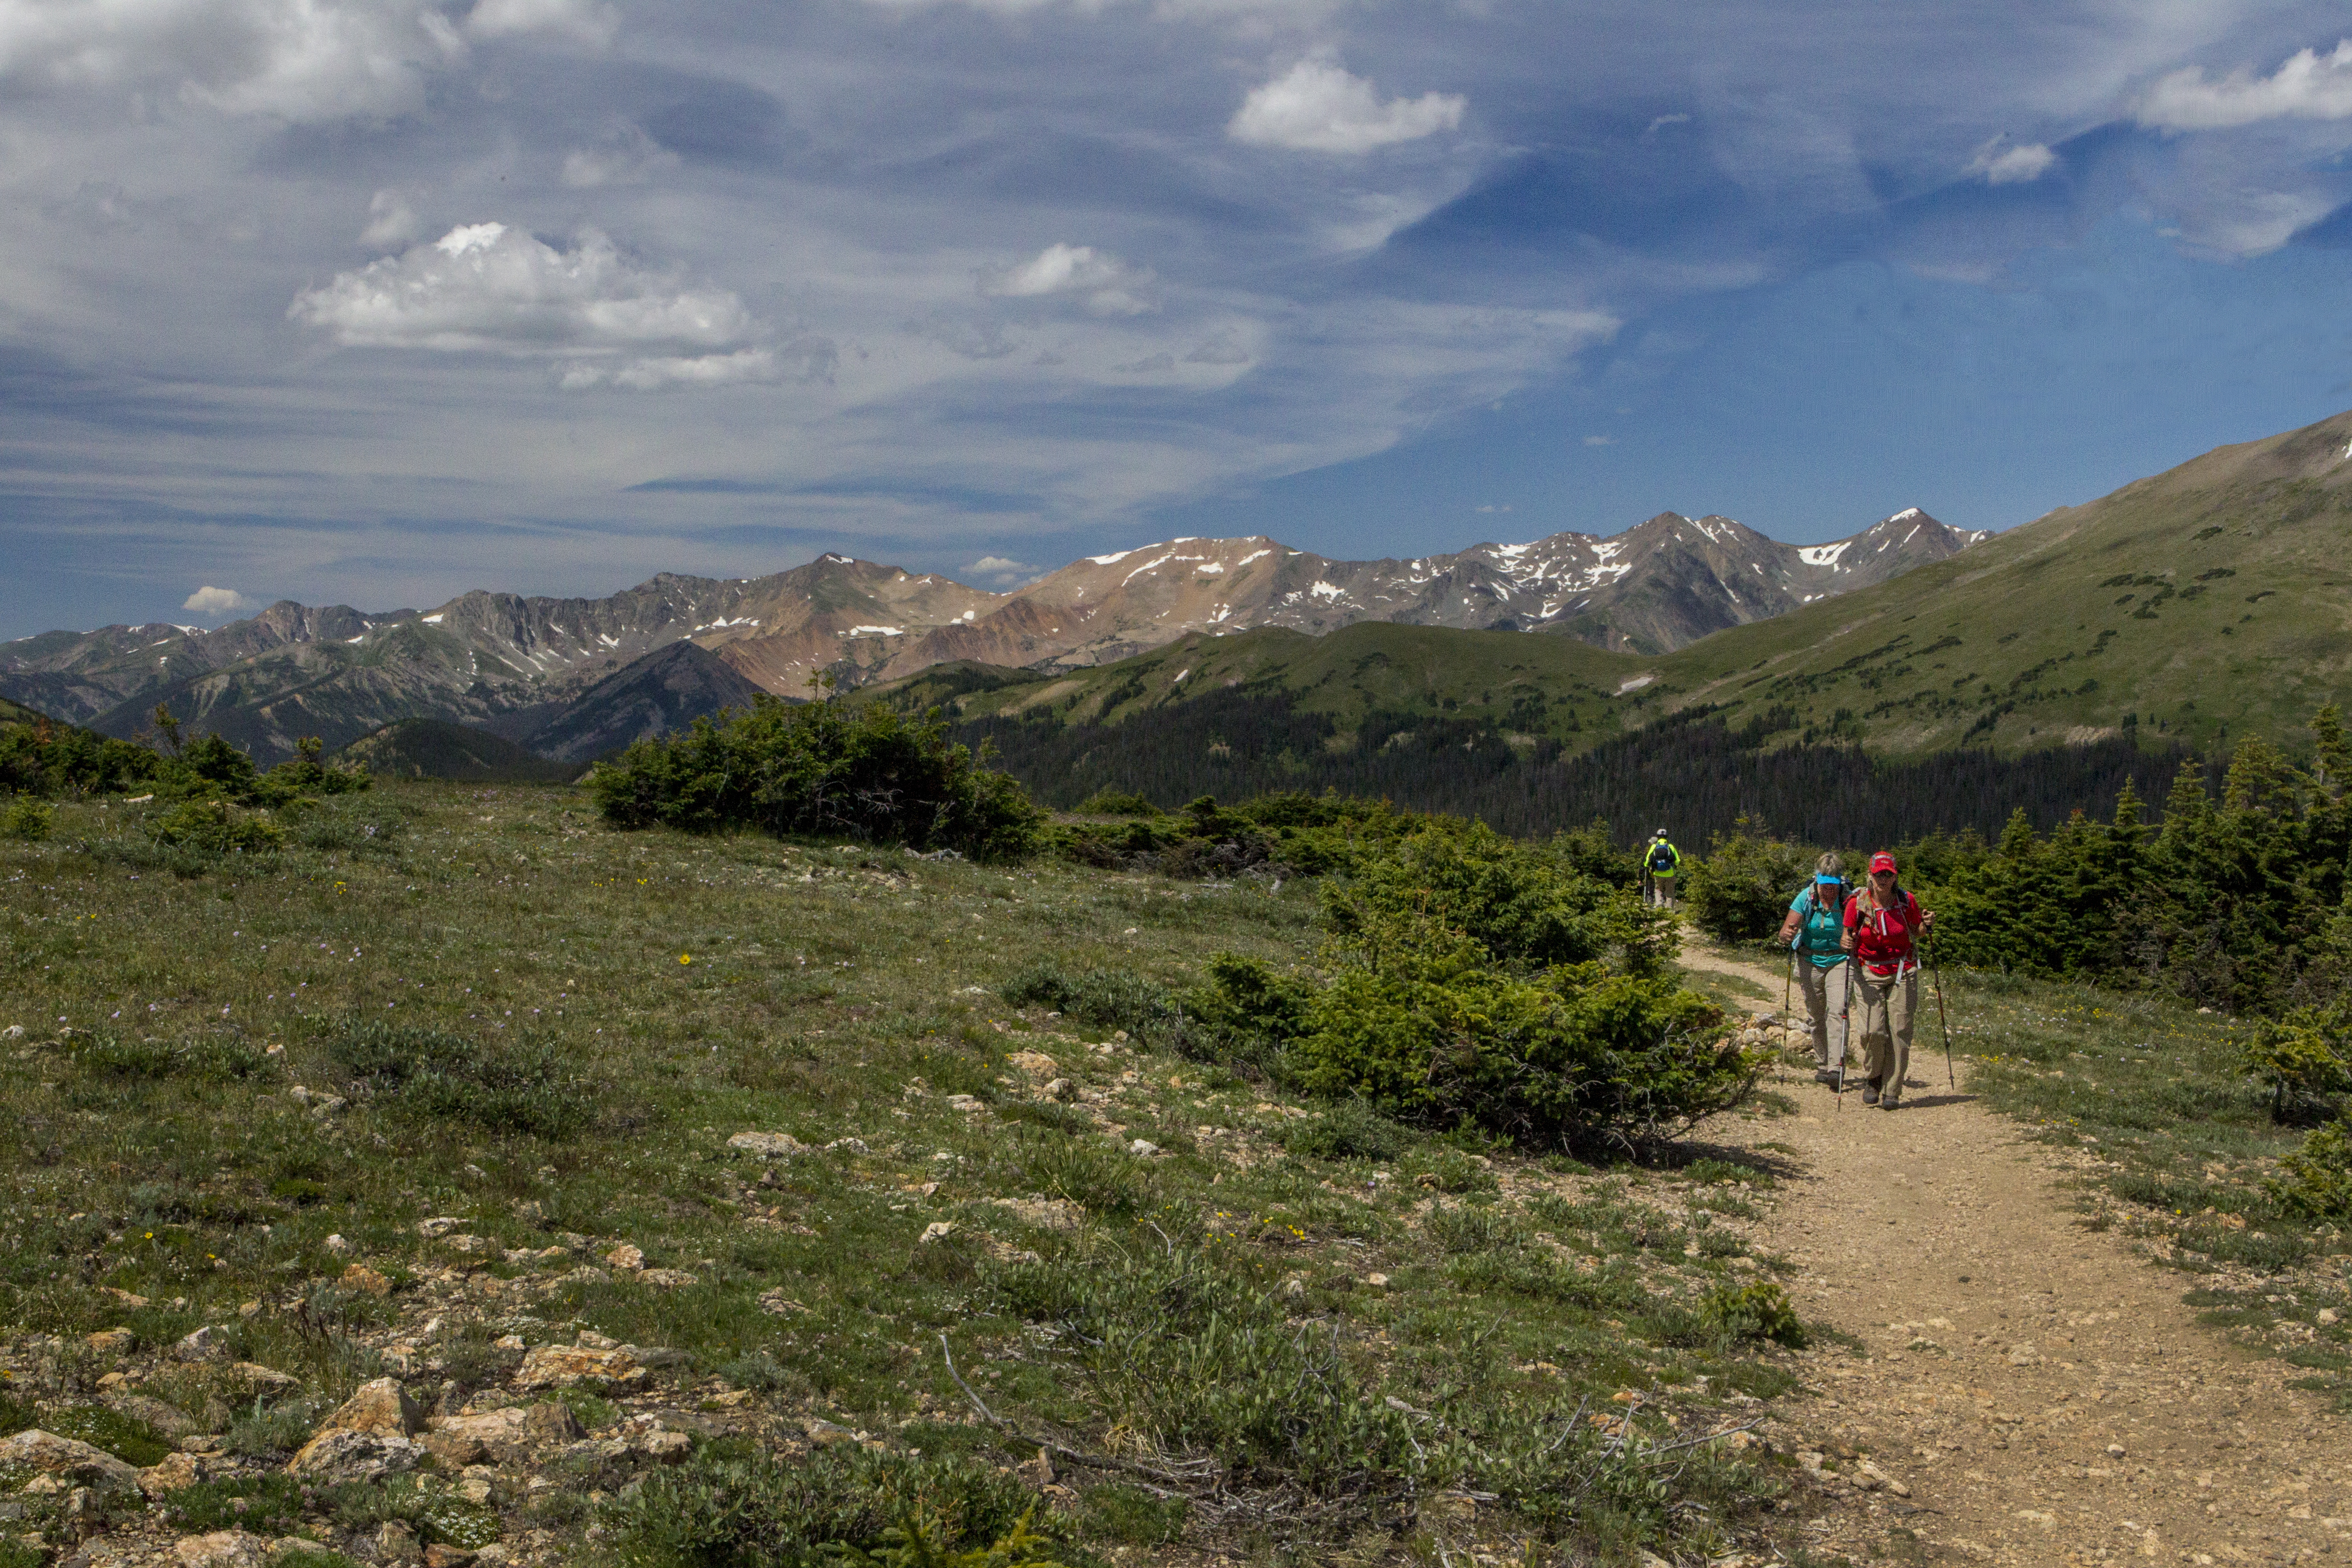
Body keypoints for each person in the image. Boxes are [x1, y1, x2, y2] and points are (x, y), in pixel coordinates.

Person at [1841, 851, 1933, 1109]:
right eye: (1879, 874)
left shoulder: (1906, 901)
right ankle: (1874, 1076)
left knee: (1900, 1030)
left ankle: (1892, 1090)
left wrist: (1928, 924)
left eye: (1888, 875)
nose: (1883, 879)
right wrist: (1846, 941)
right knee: (1872, 1031)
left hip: (1904, 969)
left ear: (1895, 877)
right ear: (1870, 875)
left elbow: (1918, 932)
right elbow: (1846, 936)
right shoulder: (1857, 903)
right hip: (1869, 971)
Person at [1774, 853, 1850, 1084]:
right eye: (1825, 885)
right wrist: (1785, 935)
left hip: (1840, 960)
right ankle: (1822, 1064)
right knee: (1817, 1016)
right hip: (1809, 960)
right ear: (1817, 880)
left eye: (1834, 885)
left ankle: (1836, 1067)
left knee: (1838, 1011)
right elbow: (1785, 931)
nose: (1830, 890)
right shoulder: (1805, 898)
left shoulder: (1848, 900)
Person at [1643, 830, 1681, 908]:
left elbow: (1648, 860)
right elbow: (1678, 860)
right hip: (1670, 873)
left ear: (1658, 837)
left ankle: (1659, 907)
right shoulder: (1670, 846)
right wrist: (1675, 866)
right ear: (1666, 837)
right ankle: (1669, 910)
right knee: (1669, 892)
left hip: (1658, 873)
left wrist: (1648, 866)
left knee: (1658, 890)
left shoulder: (1654, 846)